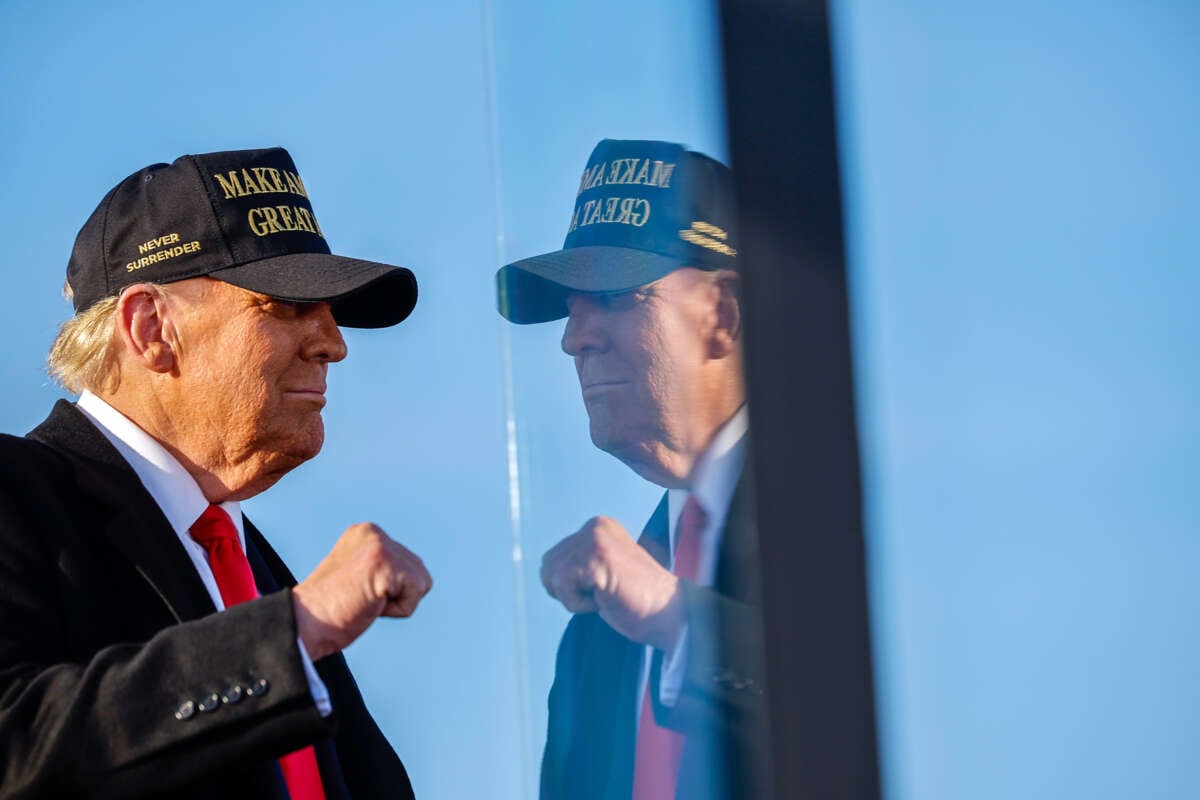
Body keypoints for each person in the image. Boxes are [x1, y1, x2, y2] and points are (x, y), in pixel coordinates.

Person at [0, 147, 431, 799]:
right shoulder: (18, 496)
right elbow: (16, 744)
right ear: (151, 328)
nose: (333, 343)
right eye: (282, 304)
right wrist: (291, 634)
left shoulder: (254, 573)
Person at [496, 140, 770, 800]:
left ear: (722, 316)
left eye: (617, 294)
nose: (573, 336)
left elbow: (859, 703)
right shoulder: (596, 634)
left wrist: (682, 625)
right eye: (570, 303)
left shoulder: (834, 517)